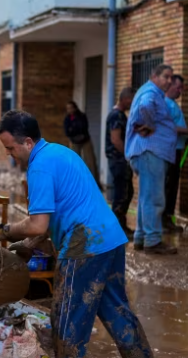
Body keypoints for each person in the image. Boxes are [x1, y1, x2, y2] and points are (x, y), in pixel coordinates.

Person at [0, 110, 172, 358]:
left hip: (83, 246)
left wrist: (3, 230)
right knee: (118, 314)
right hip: (109, 239)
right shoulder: (61, 153)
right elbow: (54, 217)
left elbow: (38, 223)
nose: (10, 155)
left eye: (11, 148)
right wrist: (27, 245)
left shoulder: (39, 168)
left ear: (28, 142)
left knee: (68, 320)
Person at [126, 64, 178, 254]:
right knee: (154, 198)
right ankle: (153, 240)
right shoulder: (151, 92)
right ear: (154, 76)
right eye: (166, 77)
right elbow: (145, 106)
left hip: (148, 153)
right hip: (150, 152)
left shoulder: (149, 91)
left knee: (146, 197)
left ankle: (142, 237)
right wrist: (148, 124)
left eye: (171, 78)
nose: (169, 81)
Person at [164, 75, 188, 232]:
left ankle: (167, 219)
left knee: (173, 186)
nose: (180, 91)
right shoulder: (165, 104)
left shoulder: (173, 104)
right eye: (178, 88)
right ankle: (164, 222)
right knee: (168, 186)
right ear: (169, 86)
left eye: (182, 88)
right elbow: (170, 127)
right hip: (169, 151)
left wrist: (187, 138)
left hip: (177, 149)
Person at [106, 87, 135, 234]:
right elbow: (116, 139)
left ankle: (119, 227)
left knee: (126, 192)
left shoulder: (120, 115)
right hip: (118, 160)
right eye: (131, 99)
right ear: (124, 99)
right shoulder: (117, 116)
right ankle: (116, 229)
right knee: (122, 194)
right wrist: (127, 155)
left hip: (119, 160)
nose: (132, 103)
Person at [63, 101, 99, 184]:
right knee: (74, 161)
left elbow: (84, 127)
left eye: (71, 108)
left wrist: (74, 129)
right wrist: (74, 131)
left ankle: (93, 181)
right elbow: (67, 132)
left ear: (75, 108)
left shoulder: (81, 116)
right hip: (74, 141)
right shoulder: (67, 119)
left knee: (90, 161)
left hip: (85, 139)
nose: (70, 110)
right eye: (68, 109)